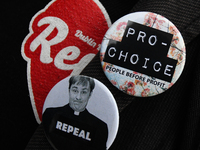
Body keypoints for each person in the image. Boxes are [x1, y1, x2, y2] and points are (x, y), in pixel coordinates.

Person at [42, 76, 108, 150]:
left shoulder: (100, 127)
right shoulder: (50, 114)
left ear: (90, 94)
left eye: (83, 92)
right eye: (75, 91)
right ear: (69, 90)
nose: (78, 97)